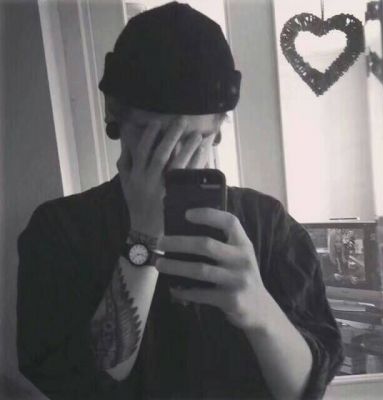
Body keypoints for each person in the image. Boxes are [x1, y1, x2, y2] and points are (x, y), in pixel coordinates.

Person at [16, 2, 344, 399]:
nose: (170, 158)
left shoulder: (267, 223)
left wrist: (259, 309)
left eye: (190, 139)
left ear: (218, 130)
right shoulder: (60, 230)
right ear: (115, 116)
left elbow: (307, 389)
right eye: (152, 136)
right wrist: (143, 237)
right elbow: (77, 386)